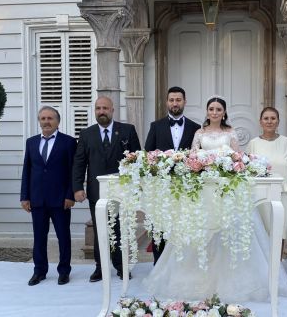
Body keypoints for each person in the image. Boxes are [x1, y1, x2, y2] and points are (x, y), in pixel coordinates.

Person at [144, 96, 287, 302]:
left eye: (218, 109)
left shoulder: (230, 132)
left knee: (229, 233)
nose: (214, 112)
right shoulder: (199, 133)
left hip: (226, 191)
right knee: (203, 233)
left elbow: (237, 157)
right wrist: (200, 165)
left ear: (224, 112)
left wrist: (228, 165)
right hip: (204, 191)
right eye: (211, 109)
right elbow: (192, 157)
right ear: (207, 112)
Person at [73, 96, 141, 282]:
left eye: (105, 108)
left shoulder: (127, 130)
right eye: (98, 108)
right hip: (97, 192)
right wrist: (78, 187)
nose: (101, 111)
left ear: (112, 110)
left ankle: (121, 266)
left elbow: (137, 161)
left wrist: (136, 187)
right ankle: (100, 268)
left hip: (122, 191)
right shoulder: (87, 134)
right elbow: (79, 163)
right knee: (100, 230)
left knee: (120, 229)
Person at [20, 106, 77, 286]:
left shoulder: (68, 142)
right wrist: (25, 196)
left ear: (57, 122)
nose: (46, 122)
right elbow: (27, 171)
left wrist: (71, 195)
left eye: (50, 118)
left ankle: (64, 271)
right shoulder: (31, 142)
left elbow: (73, 171)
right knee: (39, 237)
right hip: (37, 199)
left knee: (63, 237)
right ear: (39, 121)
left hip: (61, 200)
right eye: (43, 118)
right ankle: (40, 271)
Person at [144, 86, 200, 263]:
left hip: (187, 189)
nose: (175, 103)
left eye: (178, 100)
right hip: (161, 187)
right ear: (166, 102)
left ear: (184, 102)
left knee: (185, 225)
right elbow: (148, 154)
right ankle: (159, 264)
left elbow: (199, 157)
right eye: (171, 100)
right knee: (159, 226)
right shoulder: (155, 126)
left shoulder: (195, 128)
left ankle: (183, 264)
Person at [246, 107, 287, 245]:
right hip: (260, 194)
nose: (269, 121)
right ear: (260, 122)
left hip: (282, 193)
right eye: (266, 118)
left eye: (273, 118)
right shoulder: (253, 144)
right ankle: (264, 265)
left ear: (278, 122)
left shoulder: (286, 142)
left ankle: (278, 265)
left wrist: (283, 178)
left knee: (279, 229)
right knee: (263, 229)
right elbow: (246, 169)